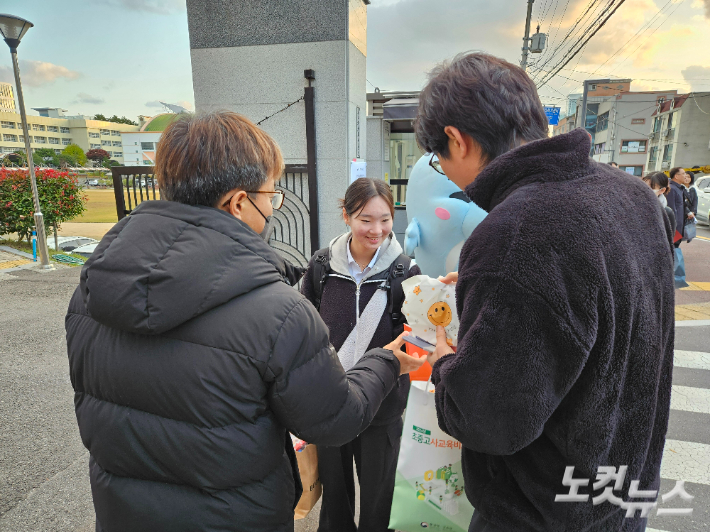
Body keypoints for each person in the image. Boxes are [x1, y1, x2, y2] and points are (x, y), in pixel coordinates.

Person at [65, 112, 424, 532]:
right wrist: (387, 363)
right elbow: (333, 417)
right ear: (239, 202)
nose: (273, 207)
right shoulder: (278, 311)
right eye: (272, 195)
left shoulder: (89, 294)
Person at [415, 52, 674, 532]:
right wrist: (486, 291)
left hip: (539, 515)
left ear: (457, 138)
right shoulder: (633, 196)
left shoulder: (516, 233)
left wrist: (446, 364)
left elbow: (489, 420)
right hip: (621, 498)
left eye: (439, 158)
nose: (445, 171)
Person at [300, 178, 421, 532]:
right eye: (366, 219)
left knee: (379, 504)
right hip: (331, 403)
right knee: (335, 503)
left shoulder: (406, 271)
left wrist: (440, 304)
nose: (377, 229)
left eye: (385, 219)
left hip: (382, 407)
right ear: (346, 215)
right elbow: (303, 328)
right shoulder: (322, 266)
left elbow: (422, 338)